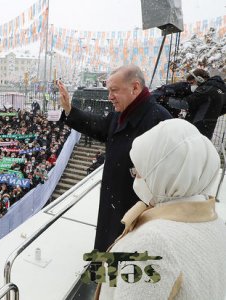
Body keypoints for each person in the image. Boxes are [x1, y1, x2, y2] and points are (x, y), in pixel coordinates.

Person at [98, 119, 226, 300]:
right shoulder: (218, 224)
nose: (136, 177)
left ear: (164, 173)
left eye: (140, 171)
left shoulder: (152, 245)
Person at [58, 64, 172, 252]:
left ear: (135, 88)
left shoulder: (159, 120)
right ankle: (103, 277)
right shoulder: (122, 114)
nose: (109, 96)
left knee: (125, 262)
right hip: (113, 204)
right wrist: (70, 109)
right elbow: (97, 125)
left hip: (136, 212)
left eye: (114, 90)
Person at [183, 68, 226, 139]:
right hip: (207, 128)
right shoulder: (220, 89)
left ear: (200, 79)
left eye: (192, 83)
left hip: (196, 128)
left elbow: (185, 103)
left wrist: (168, 100)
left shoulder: (205, 90)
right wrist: (212, 113)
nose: (191, 86)